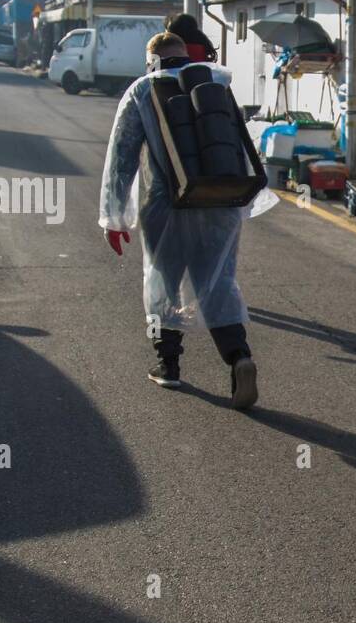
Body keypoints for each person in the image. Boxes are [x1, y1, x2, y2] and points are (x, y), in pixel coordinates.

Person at [99, 31, 258, 409]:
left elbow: (122, 158)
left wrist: (114, 218)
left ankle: (167, 365)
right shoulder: (215, 82)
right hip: (221, 202)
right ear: (186, 56)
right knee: (218, 284)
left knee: (162, 285)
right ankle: (239, 357)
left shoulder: (142, 90)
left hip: (165, 206)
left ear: (151, 60)